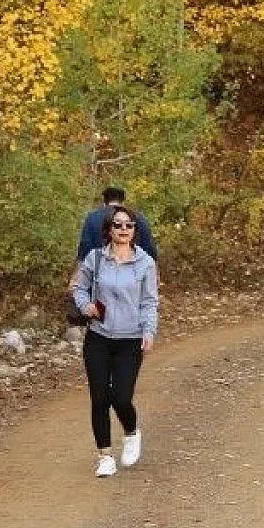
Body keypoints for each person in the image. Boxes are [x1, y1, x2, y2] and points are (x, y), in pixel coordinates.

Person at [71, 203, 158, 477]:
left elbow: (149, 301)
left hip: (130, 339)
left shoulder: (146, 263)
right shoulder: (95, 259)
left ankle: (131, 432)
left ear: (135, 230)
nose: (123, 229)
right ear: (108, 230)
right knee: (99, 397)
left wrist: (149, 331)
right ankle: (105, 456)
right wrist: (86, 307)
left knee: (121, 397)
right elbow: (79, 288)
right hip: (98, 337)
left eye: (129, 225)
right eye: (117, 225)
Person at [77, 185, 158, 262]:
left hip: (101, 269)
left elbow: (85, 248)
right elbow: (150, 249)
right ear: (123, 202)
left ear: (104, 202)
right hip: (134, 269)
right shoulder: (138, 217)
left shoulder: (92, 218)